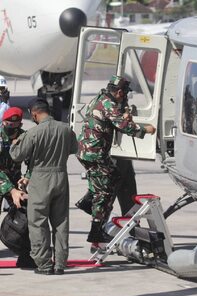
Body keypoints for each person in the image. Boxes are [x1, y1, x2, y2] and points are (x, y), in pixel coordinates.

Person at [76, 75, 156, 245]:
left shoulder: (101, 97)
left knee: (115, 177)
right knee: (104, 193)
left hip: (87, 151)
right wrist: (146, 130)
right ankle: (96, 233)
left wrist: (124, 111)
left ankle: (87, 201)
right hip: (95, 154)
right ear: (119, 92)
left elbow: (115, 116)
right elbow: (123, 126)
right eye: (125, 94)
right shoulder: (109, 105)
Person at [10, 98, 78, 275]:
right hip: (61, 177)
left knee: (38, 222)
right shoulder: (65, 129)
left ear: (34, 113)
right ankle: (60, 264)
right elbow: (73, 148)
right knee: (61, 222)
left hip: (40, 179)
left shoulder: (33, 133)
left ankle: (44, 265)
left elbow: (17, 156)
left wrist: (15, 143)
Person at [0, 107, 35, 268]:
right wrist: (11, 190)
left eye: (15, 125)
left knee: (26, 215)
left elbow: (33, 161)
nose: (11, 128)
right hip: (3, 179)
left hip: (15, 179)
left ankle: (25, 254)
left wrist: (26, 178)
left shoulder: (25, 137)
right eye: (8, 124)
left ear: (20, 124)